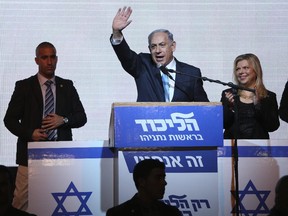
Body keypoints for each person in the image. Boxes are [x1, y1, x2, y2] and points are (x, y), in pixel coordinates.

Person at [3, 41, 87, 211]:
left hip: (60, 155)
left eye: (52, 57)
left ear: (57, 59)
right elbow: (9, 120)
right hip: (30, 155)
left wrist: (63, 120)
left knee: (60, 204)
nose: (49, 61)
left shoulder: (67, 86)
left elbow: (81, 117)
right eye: (44, 57)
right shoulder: (24, 86)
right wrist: (30, 133)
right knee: (20, 203)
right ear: (37, 60)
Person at [110, 6, 209, 102]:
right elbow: (125, 56)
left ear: (173, 46)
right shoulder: (142, 65)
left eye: (162, 45)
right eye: (153, 46)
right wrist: (116, 32)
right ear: (149, 49)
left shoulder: (191, 74)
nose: (157, 50)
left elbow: (205, 109)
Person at [220, 53, 279, 139]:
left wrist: (258, 105)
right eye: (238, 69)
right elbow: (222, 125)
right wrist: (229, 107)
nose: (240, 72)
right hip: (232, 148)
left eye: (246, 68)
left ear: (256, 70)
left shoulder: (268, 96)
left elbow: (272, 126)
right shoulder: (228, 94)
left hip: (258, 149)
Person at [106, 159, 181, 216]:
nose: (164, 183)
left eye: (164, 177)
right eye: (158, 178)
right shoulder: (117, 214)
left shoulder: (173, 213)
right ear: (142, 181)